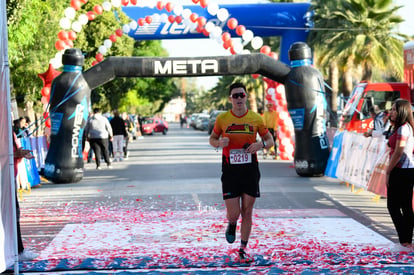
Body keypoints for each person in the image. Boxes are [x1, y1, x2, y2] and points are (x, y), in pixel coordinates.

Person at [209, 82, 274, 261]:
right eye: (235, 96)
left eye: (242, 95)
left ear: (246, 97)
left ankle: (243, 249)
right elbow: (212, 139)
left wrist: (261, 144)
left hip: (250, 169)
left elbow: (270, 140)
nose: (239, 98)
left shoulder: (256, 118)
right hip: (230, 169)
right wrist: (219, 143)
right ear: (230, 99)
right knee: (235, 213)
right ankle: (231, 223)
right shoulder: (222, 119)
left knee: (247, 210)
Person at [386, 99, 414, 252]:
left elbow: (398, 152)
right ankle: (406, 241)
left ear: (402, 112)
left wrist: (388, 171)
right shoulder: (405, 127)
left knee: (394, 206)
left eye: (394, 110)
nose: (391, 112)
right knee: (405, 206)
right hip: (407, 170)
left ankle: (405, 240)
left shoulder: (404, 129)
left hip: (401, 170)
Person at [12, 130, 38, 261]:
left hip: (10, 175)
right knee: (12, 214)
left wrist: (19, 153)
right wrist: (15, 154)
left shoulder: (8, 129)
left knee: (14, 214)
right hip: (4, 176)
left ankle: (18, 250)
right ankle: (17, 251)